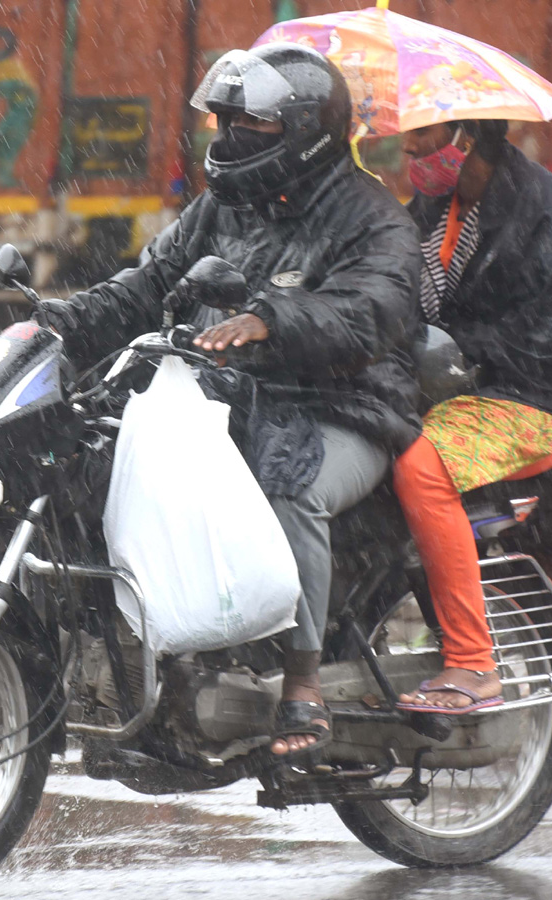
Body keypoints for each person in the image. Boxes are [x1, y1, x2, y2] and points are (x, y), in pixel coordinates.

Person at [36, 43, 423, 757]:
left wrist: (274, 318)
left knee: (288, 486)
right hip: (228, 399)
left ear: (305, 131)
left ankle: (302, 688)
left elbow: (370, 314)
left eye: (250, 124)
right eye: (222, 121)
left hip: (346, 407)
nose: (228, 137)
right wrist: (66, 317)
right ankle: (158, 656)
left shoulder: (375, 221)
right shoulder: (223, 205)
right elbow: (149, 283)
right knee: (100, 460)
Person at [391, 119, 552, 714]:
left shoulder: (550, 213)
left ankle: (473, 663)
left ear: (466, 136)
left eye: (424, 133)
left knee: (421, 468)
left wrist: (460, 346)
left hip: (533, 400)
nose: (408, 146)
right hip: (452, 389)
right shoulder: (437, 205)